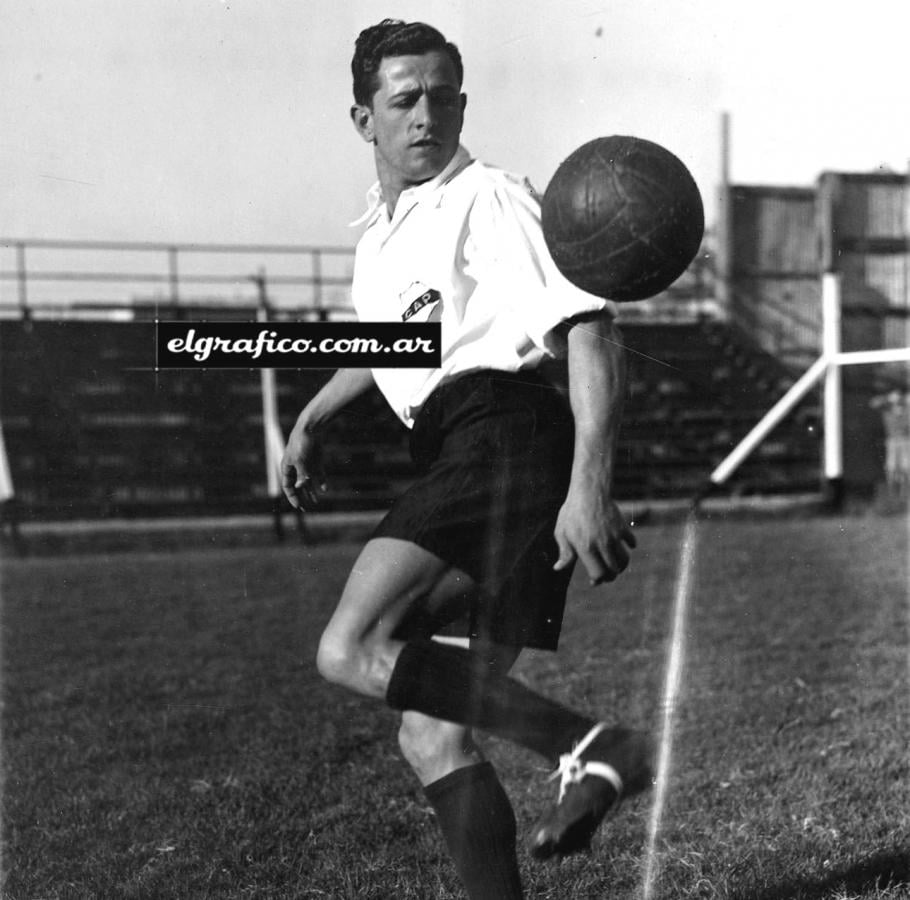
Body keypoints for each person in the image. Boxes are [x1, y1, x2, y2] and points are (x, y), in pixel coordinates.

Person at [281, 19, 652, 899]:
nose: (426, 115)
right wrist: (312, 417)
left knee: (350, 645)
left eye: (443, 96)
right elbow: (392, 348)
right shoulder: (383, 234)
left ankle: (591, 745)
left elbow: (588, 328)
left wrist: (589, 488)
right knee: (431, 733)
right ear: (362, 118)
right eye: (404, 99)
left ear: (463, 103)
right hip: (467, 444)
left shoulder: (486, 196)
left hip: (504, 439)